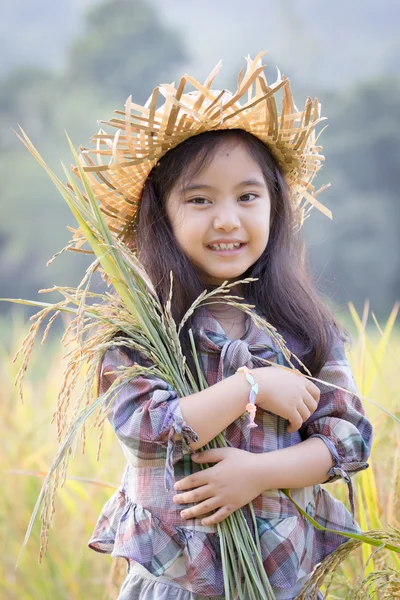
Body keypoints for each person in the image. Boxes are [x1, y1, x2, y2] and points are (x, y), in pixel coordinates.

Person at [85, 56, 373, 600]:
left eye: (247, 196)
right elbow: (149, 430)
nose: (227, 219)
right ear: (162, 217)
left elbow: (348, 439)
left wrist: (260, 474)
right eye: (199, 199)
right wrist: (252, 385)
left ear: (275, 205)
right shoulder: (144, 335)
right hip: (178, 583)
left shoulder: (304, 329)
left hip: (279, 583)